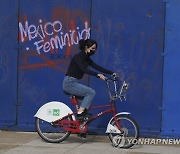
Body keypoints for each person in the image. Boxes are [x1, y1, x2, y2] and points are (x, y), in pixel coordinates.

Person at [62, 39, 115, 120]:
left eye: (95, 49)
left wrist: (111, 73)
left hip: (74, 82)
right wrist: (97, 75)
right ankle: (80, 114)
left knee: (87, 102)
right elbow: (83, 69)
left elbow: (97, 66)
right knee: (91, 93)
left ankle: (81, 125)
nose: (94, 51)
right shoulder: (78, 57)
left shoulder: (86, 58)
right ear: (86, 47)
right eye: (92, 48)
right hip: (69, 83)